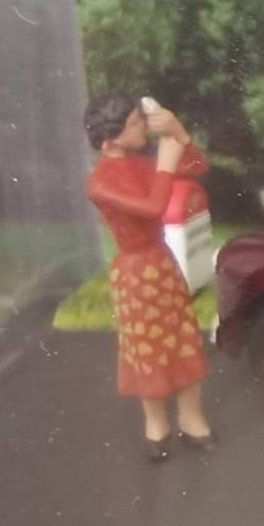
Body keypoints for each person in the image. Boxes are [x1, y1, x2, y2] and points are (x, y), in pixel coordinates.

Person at [83, 95, 216, 461]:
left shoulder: (144, 164)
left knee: (184, 341)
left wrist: (179, 134)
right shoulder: (100, 182)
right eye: (133, 123)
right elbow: (152, 208)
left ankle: (191, 417)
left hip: (163, 265)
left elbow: (198, 165)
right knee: (147, 351)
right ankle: (156, 425)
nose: (143, 125)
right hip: (135, 273)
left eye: (140, 119)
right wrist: (166, 165)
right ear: (108, 140)